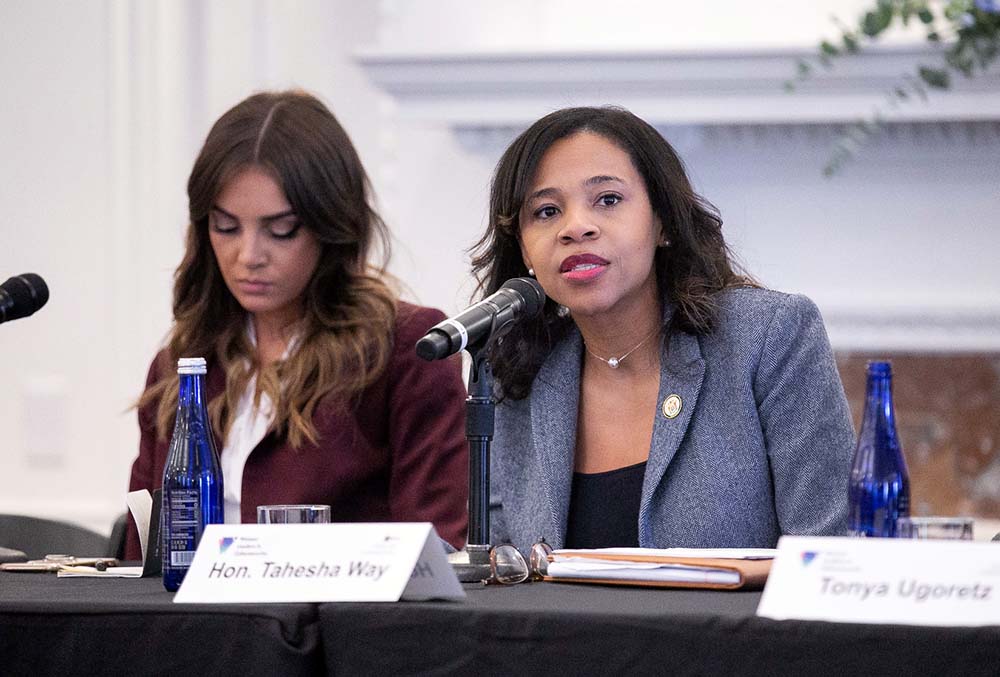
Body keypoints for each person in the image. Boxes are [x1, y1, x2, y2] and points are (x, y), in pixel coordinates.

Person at [471, 106, 855, 553]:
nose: (576, 227)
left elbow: (829, 553)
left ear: (664, 223)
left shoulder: (768, 337)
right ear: (524, 249)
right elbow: (497, 569)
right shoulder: (515, 376)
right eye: (547, 211)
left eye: (608, 200)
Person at [125, 90, 468, 559]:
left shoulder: (407, 350)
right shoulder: (180, 367)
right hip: (191, 628)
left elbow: (436, 555)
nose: (248, 256)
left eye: (280, 229)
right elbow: (138, 563)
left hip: (335, 629)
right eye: (225, 227)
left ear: (333, 226)